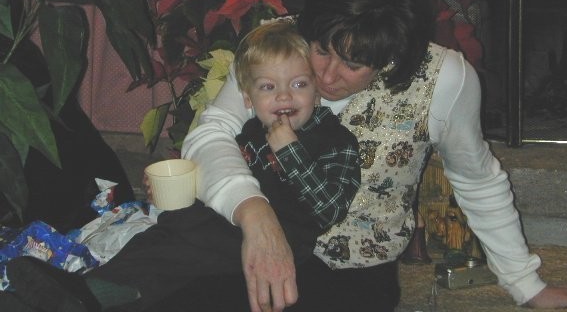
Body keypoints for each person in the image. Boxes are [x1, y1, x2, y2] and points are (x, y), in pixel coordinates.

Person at [176, 0, 567, 311]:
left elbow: (476, 179)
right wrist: (255, 215)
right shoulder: (274, 46)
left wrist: (527, 284)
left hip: (351, 277)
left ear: (390, 53)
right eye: (321, 50)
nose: (327, 76)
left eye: (353, 64)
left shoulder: (444, 78)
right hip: (244, 247)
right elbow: (209, 134)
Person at [1, 21, 360, 312]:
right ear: (248, 99)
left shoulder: (334, 140)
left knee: (187, 245)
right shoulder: (249, 130)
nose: (284, 96)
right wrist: (179, 184)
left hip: (282, 237)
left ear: (316, 92)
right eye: (269, 87)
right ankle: (91, 292)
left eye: (299, 84)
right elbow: (221, 170)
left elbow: (328, 208)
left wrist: (291, 152)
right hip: (226, 223)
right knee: (164, 234)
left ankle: (91, 293)